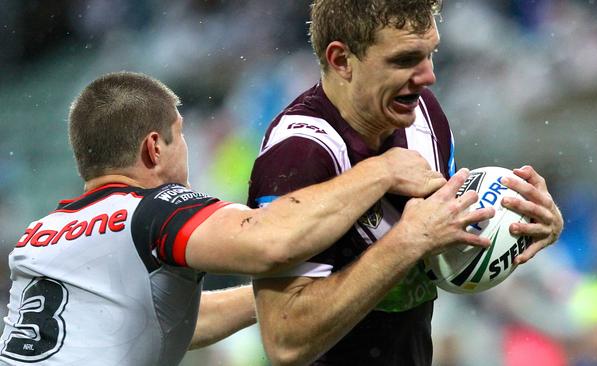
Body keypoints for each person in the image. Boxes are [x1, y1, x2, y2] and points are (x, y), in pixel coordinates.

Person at [0, 71, 480, 366]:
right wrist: (382, 170)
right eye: (180, 137)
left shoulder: (40, 236)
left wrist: (304, 294)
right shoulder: (150, 209)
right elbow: (265, 242)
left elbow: (169, 320)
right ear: (154, 147)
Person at [246, 0, 564, 365]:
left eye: (430, 54)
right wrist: (408, 242)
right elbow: (285, 341)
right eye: (404, 59)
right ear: (341, 60)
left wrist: (518, 223)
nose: (428, 76)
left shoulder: (423, 113)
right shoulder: (298, 155)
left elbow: (436, 260)